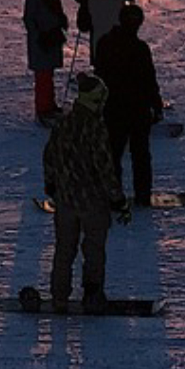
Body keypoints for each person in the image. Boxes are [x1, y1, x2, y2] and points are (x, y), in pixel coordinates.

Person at [42, 72, 130, 312]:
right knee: (93, 250)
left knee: (64, 249)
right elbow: (105, 167)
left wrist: (51, 184)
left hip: (65, 200)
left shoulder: (62, 124)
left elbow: (49, 157)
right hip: (93, 202)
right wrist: (118, 199)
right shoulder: (95, 127)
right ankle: (92, 295)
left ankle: (59, 296)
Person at [95, 2, 164, 208]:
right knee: (139, 154)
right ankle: (142, 195)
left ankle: (114, 195)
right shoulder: (139, 48)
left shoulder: (105, 43)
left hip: (115, 107)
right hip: (136, 108)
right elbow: (149, 80)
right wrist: (156, 105)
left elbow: (100, 75)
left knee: (114, 153)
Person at [22, 0, 68, 122]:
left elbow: (58, 11)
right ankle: (43, 108)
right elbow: (29, 19)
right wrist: (39, 35)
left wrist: (62, 21)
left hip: (52, 38)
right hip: (41, 42)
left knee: (48, 75)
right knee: (43, 76)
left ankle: (49, 104)